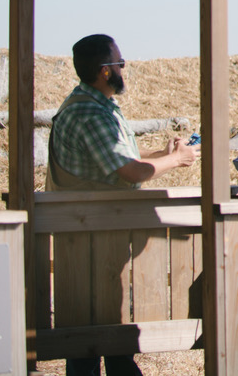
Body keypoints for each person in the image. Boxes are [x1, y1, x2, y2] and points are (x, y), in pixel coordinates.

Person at [48, 33, 198, 376]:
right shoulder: (90, 112)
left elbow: (116, 157)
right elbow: (130, 170)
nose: (123, 70)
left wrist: (165, 153)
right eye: (120, 64)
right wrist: (177, 160)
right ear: (105, 71)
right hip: (91, 233)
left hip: (93, 232)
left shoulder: (91, 105)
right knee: (94, 336)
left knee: (101, 334)